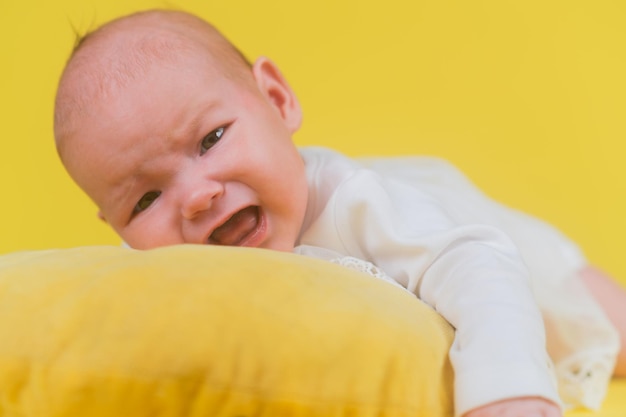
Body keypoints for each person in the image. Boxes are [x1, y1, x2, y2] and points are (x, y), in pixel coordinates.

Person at [53, 9, 626, 417]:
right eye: (145, 200)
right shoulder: (148, 268)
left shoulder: (357, 201)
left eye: (210, 139)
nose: (198, 195)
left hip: (511, 255)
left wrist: (507, 393)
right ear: (118, 227)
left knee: (606, 326)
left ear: (277, 102)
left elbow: (477, 266)